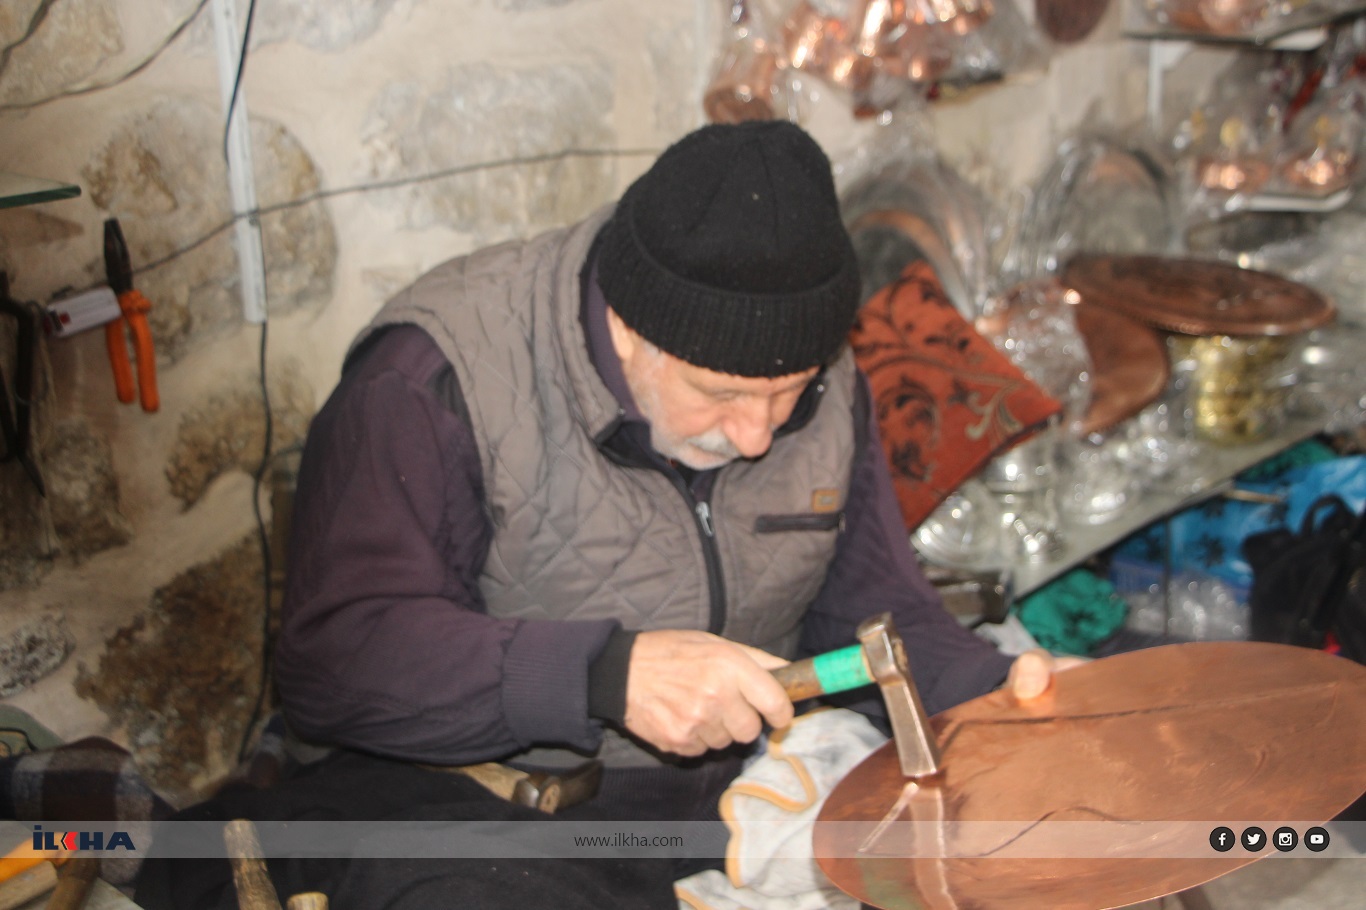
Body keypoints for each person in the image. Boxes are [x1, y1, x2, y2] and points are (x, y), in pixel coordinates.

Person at [266, 120, 1066, 889]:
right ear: (624, 328)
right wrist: (603, 675)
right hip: (492, 819)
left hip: (730, 809)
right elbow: (334, 662)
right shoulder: (434, 380)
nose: (757, 435)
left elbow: (867, 605)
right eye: (718, 394)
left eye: (788, 393)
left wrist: (992, 694)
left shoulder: (819, 376)